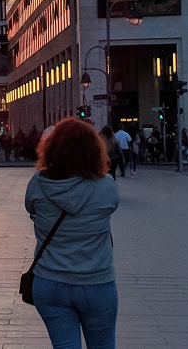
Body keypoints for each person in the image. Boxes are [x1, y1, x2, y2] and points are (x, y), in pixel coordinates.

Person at [25, 118, 120, 349]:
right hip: (96, 281)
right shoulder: (107, 186)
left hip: (50, 281)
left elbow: (30, 208)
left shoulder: (37, 184)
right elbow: (111, 205)